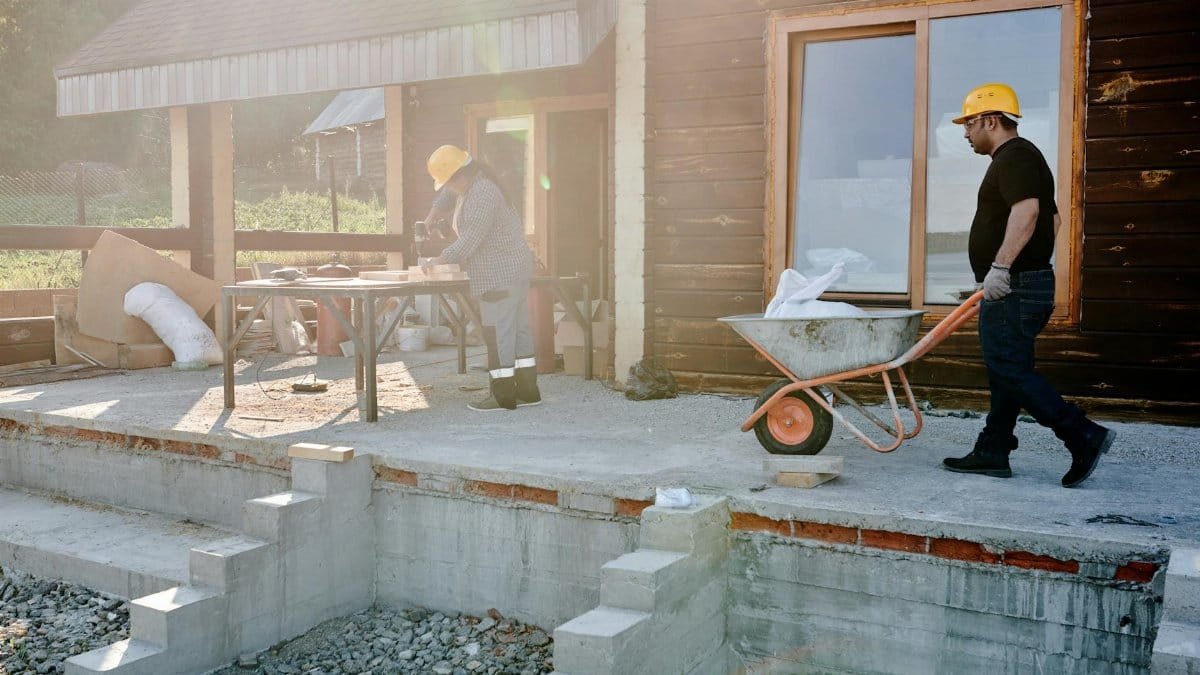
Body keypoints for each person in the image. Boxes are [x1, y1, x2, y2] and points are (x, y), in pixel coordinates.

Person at [942, 83, 1114, 488]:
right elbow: (1053, 221)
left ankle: (1082, 433)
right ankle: (993, 449)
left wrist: (1002, 267)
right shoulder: (1025, 157)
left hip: (1013, 285)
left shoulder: (1015, 156)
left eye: (969, 124)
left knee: (1009, 367)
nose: (965, 133)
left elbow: (1030, 212)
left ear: (990, 119)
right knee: (1007, 368)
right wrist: (1028, 265)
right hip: (1024, 282)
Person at [420, 144, 540, 411]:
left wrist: (438, 260)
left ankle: (502, 396)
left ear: (459, 177)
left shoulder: (482, 194)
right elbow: (447, 199)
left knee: (499, 333)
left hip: (499, 273)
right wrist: (430, 218)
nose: (449, 189)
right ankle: (528, 391)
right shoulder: (475, 184)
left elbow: (471, 239)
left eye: (449, 183)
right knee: (518, 330)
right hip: (513, 271)